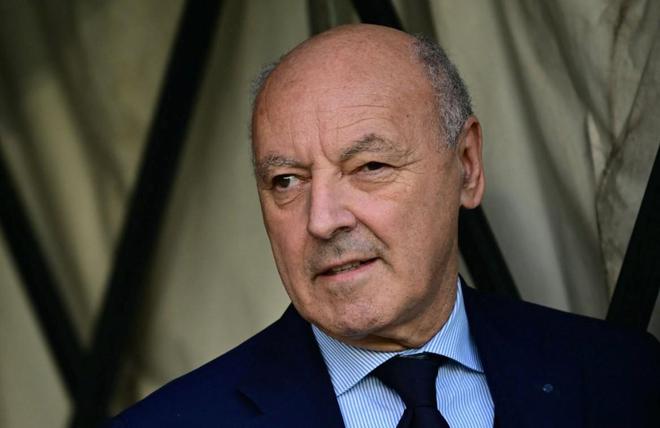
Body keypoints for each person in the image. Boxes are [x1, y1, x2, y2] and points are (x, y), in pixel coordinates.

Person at [108, 24, 659, 428]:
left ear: (467, 166)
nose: (323, 220)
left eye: (370, 167)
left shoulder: (622, 378)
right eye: (286, 181)